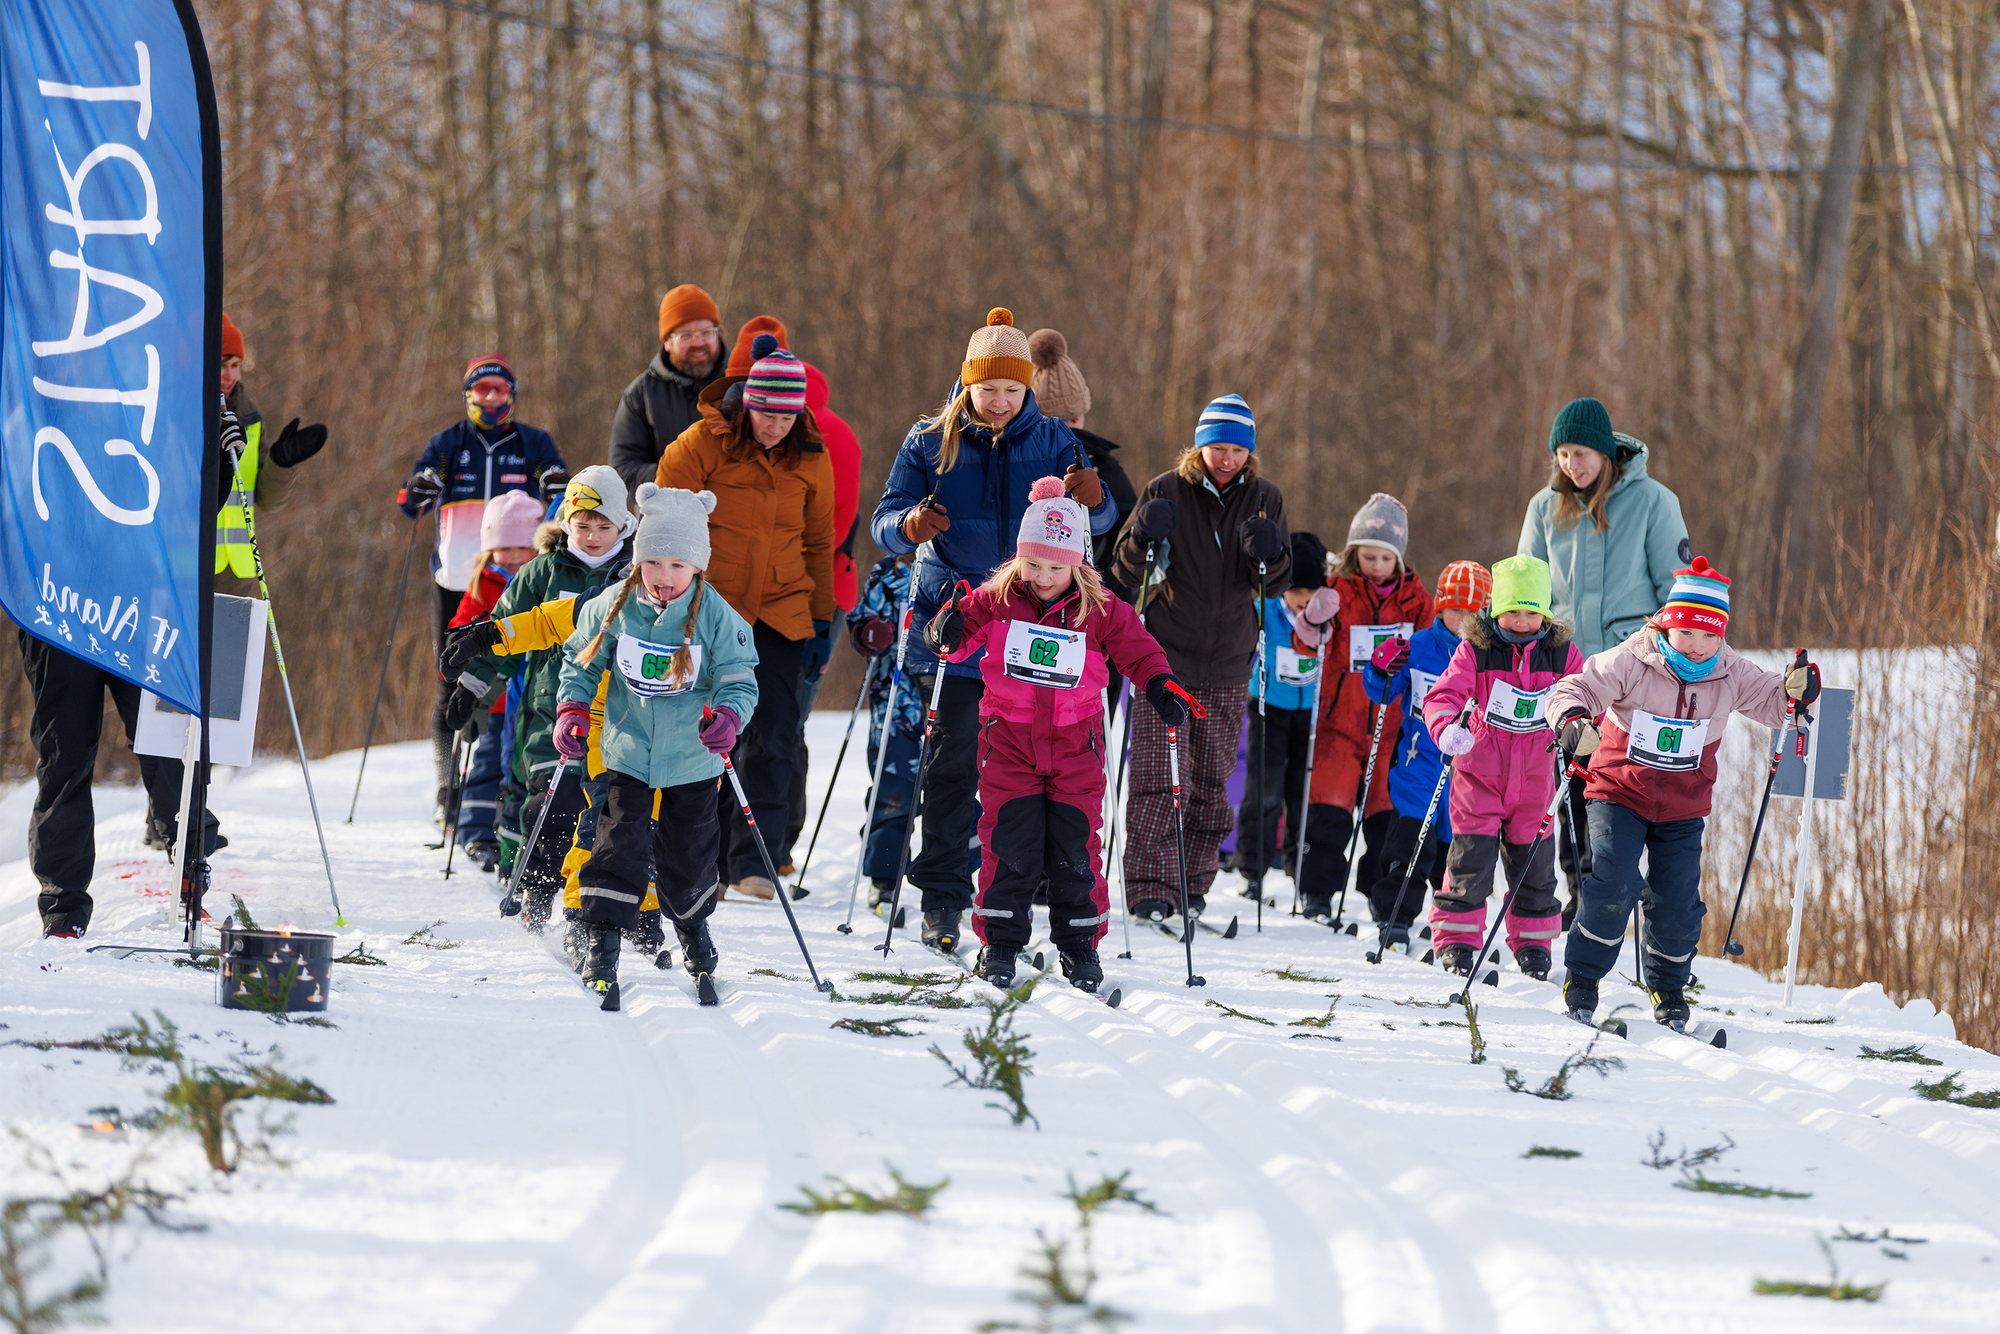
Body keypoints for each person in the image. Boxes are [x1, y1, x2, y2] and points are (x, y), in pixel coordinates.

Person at [869, 308, 1117, 950]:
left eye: (1011, 389)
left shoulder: (1054, 438)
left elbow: (1095, 521)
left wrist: (1096, 498)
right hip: (957, 621)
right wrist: (909, 526)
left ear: (1026, 387)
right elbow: (884, 520)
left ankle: (1019, 897)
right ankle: (942, 900)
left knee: (1024, 773)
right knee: (952, 767)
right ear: (968, 383)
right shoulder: (930, 440)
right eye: (987, 389)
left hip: (1031, 623)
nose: (999, 401)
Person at [15, 386, 266, 937]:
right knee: (65, 756)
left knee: (170, 744)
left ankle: (190, 870)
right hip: (59, 613)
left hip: (136, 607)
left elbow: (184, 513)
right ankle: (63, 910)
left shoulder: (144, 414)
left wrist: (218, 461)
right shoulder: (36, 405)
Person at [924, 478, 1181, 988]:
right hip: (1009, 744)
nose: (1043, 577)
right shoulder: (996, 598)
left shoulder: (1100, 608)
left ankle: (1080, 946)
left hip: (1076, 746)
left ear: (1078, 564)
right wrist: (943, 628)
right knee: (1008, 844)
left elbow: (1140, 650)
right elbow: (951, 640)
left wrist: (1160, 684)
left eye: (1056, 568)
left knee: (1076, 848)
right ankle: (1001, 943)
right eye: (1033, 564)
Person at [1545, 557, 1819, 1027]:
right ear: (1665, 624)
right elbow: (1575, 688)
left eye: (1709, 635)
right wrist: (1572, 719)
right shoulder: (1633, 659)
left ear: (1721, 635)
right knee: (1614, 882)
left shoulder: (1730, 672)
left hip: (1683, 805)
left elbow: (1778, 704)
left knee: (1677, 900)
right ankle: (1583, 978)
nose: (1696, 646)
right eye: (1686, 633)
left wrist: (1800, 690)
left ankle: (1668, 988)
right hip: (1619, 791)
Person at [554, 485, 760, 1010]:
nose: (664, 575)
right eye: (653, 562)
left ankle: (694, 935)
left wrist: (729, 717)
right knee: (616, 846)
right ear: (638, 559)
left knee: (688, 858)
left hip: (693, 759)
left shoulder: (716, 615)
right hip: (628, 754)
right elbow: (580, 660)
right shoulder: (616, 605)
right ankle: (602, 942)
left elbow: (739, 679)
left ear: (697, 566)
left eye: (677, 564)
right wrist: (572, 708)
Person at [655, 334, 835, 900]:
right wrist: (664, 603)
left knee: (774, 735)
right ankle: (698, 857)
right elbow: (664, 530)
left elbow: (819, 540)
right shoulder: (700, 444)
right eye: (767, 415)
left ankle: (757, 862)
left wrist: (822, 619)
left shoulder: (812, 453)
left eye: (787, 417)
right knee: (703, 731)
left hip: (782, 611)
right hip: (708, 608)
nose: (777, 427)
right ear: (747, 404)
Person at [1110, 394, 1287, 922]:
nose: (1227, 459)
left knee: (1211, 784)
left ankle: (1191, 882)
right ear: (1200, 446)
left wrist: (1272, 552)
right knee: (1158, 777)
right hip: (1164, 661)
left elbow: (1276, 583)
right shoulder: (1164, 490)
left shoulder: (1265, 498)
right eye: (1218, 448)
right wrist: (1143, 534)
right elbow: (1125, 572)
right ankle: (1150, 886)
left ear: (1249, 452)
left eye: (1238, 450)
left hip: (1229, 662)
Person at [443, 466, 637, 931]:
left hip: (618, 718)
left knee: (604, 813)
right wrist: (474, 687)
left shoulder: (636, 573)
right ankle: (537, 886)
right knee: (549, 807)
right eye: (582, 525)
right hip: (550, 714)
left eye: (604, 526)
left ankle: (588, 905)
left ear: (623, 525)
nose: (592, 536)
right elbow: (506, 631)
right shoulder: (542, 571)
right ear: (567, 523)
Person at [1517, 397, 1689, 922]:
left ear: (1606, 452)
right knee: (1572, 785)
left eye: (1582, 453)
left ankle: (1626, 898)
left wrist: (1666, 659)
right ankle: (1583, 899)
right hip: (1567, 674)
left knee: (1622, 792)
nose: (1573, 464)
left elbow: (1677, 596)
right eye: (1563, 454)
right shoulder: (1544, 508)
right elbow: (1526, 592)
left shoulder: (1654, 502)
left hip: (1631, 673)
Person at [719, 317, 865, 870]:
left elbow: (828, 528)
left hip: (798, 596)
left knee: (770, 725)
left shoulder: (821, 439)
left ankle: (763, 850)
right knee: (769, 726)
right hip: (771, 595)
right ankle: (758, 850)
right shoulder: (719, 437)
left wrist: (811, 606)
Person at [400, 355, 567, 819]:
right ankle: (448, 788)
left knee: (510, 679)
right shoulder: (448, 442)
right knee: (451, 679)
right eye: (481, 390)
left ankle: (501, 789)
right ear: (467, 395)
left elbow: (562, 491)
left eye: (499, 390)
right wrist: (419, 488)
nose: (490, 398)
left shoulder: (532, 441)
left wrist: (556, 483)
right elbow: (409, 500)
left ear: (512, 395)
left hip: (517, 576)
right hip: (459, 577)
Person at [1418, 556, 1582, 978]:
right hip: (1479, 778)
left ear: (1546, 612)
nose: (1522, 622)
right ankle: (1457, 940)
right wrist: (1447, 727)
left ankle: (1534, 945)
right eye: (1512, 612)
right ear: (1494, 609)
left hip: (1535, 783)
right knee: (1470, 864)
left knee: (1535, 870)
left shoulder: (1562, 654)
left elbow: (1583, 694)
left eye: (1532, 612)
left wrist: (1580, 726)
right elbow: (1443, 695)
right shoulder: (1477, 649)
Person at [1287, 493, 1429, 923]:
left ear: (1398, 559)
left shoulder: (1416, 600)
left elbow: (1431, 650)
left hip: (1394, 728)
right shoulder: (1337, 591)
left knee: (1385, 813)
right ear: (1353, 554)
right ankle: (1317, 891)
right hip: (1340, 723)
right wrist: (1311, 621)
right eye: (1369, 557)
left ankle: (1377, 892)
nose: (1377, 567)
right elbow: (1304, 647)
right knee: (1329, 809)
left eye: (1386, 558)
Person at [1359, 559, 1491, 949]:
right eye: (1455, 610)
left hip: (1466, 771)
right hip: (1419, 762)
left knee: (1454, 853)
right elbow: (1382, 693)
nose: (1462, 620)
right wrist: (1380, 669)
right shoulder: (1419, 647)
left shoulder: (1489, 656)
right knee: (1411, 840)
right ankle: (1395, 914)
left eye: (1472, 613)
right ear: (1440, 606)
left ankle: (1456, 925)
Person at [442, 489, 545, 869]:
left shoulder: (542, 580)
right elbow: (459, 624)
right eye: (505, 549)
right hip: (494, 698)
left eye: (522, 548)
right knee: (487, 763)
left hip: (530, 694)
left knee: (518, 766)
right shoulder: (484, 582)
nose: (514, 557)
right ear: (489, 550)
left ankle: (510, 831)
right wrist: (471, 634)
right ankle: (475, 831)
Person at [1235, 532, 1330, 886]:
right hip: (1268, 708)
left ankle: (1298, 866)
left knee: (1301, 791)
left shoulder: (1327, 615)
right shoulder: (1265, 610)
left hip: (1309, 714)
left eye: (1311, 593)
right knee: (1265, 788)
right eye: (1296, 593)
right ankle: (1251, 867)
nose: (1303, 602)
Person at [1027, 329, 1137, 581]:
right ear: (1079, 416)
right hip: (1090, 586)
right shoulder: (1101, 463)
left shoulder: (1020, 456)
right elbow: (1126, 530)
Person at [846, 554, 924, 909]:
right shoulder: (890, 571)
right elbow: (861, 617)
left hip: (954, 691)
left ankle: (955, 880)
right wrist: (867, 632)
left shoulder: (970, 560)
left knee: (955, 786)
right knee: (893, 785)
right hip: (896, 696)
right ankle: (884, 877)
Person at [609, 285, 728, 495]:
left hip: (737, 508)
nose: (698, 342)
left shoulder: (743, 381)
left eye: (707, 332)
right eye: (686, 335)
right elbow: (623, 470)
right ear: (667, 341)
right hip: (668, 510)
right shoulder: (641, 395)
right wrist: (678, 474)